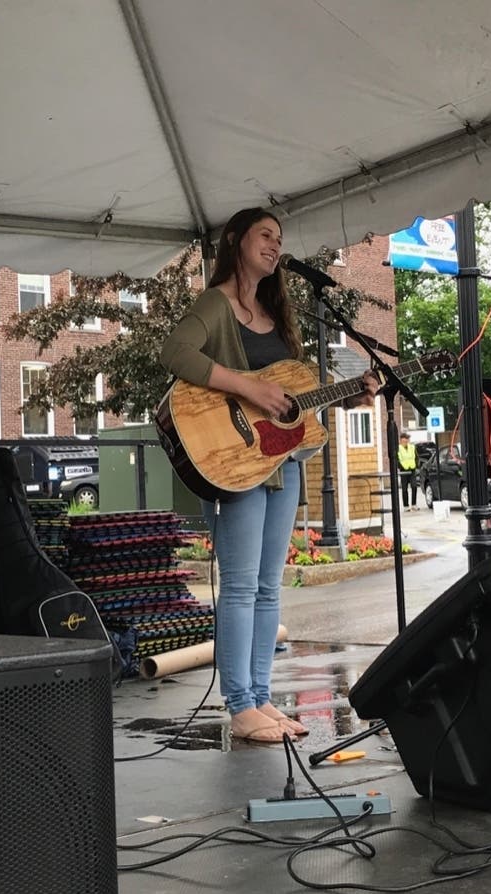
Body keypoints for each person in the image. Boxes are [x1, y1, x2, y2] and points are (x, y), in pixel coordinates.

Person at [160, 207, 377, 744]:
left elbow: (293, 403)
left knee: (266, 587)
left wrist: (353, 395)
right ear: (235, 240)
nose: (276, 245)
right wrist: (246, 387)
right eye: (265, 235)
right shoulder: (217, 304)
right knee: (237, 588)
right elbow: (175, 352)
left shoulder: (278, 316)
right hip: (232, 461)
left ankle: (260, 698)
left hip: (281, 464)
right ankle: (239, 704)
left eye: (280, 238)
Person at [397, 432, 418, 511]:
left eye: (406, 441)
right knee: (404, 489)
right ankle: (406, 506)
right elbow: (397, 459)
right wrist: (400, 467)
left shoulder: (412, 447)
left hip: (412, 469)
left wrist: (416, 465)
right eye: (403, 442)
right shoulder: (398, 448)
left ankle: (414, 504)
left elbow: (416, 457)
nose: (405, 443)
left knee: (414, 486)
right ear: (400, 441)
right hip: (404, 470)